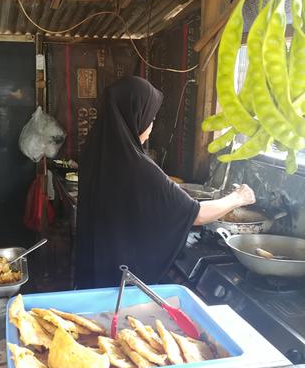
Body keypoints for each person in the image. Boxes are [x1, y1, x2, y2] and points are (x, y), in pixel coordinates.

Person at [75, 75, 255, 289]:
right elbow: (197, 214)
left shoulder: (93, 150)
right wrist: (238, 197)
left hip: (94, 265)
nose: (151, 125)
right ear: (136, 115)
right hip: (120, 279)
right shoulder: (136, 165)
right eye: (150, 117)